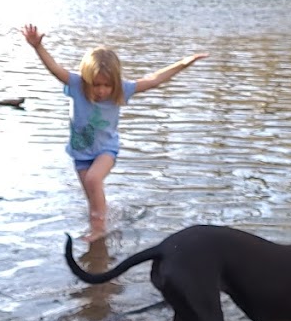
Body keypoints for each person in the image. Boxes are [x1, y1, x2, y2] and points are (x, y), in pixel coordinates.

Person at [21, 24, 207, 239]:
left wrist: (183, 64)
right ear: (86, 80)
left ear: (115, 83)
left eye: (107, 85)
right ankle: (103, 224)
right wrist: (38, 47)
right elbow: (54, 68)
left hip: (106, 150)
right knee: (92, 197)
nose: (101, 91)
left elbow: (154, 79)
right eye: (96, 85)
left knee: (93, 180)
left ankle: (99, 232)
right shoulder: (75, 84)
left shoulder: (122, 90)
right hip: (80, 153)